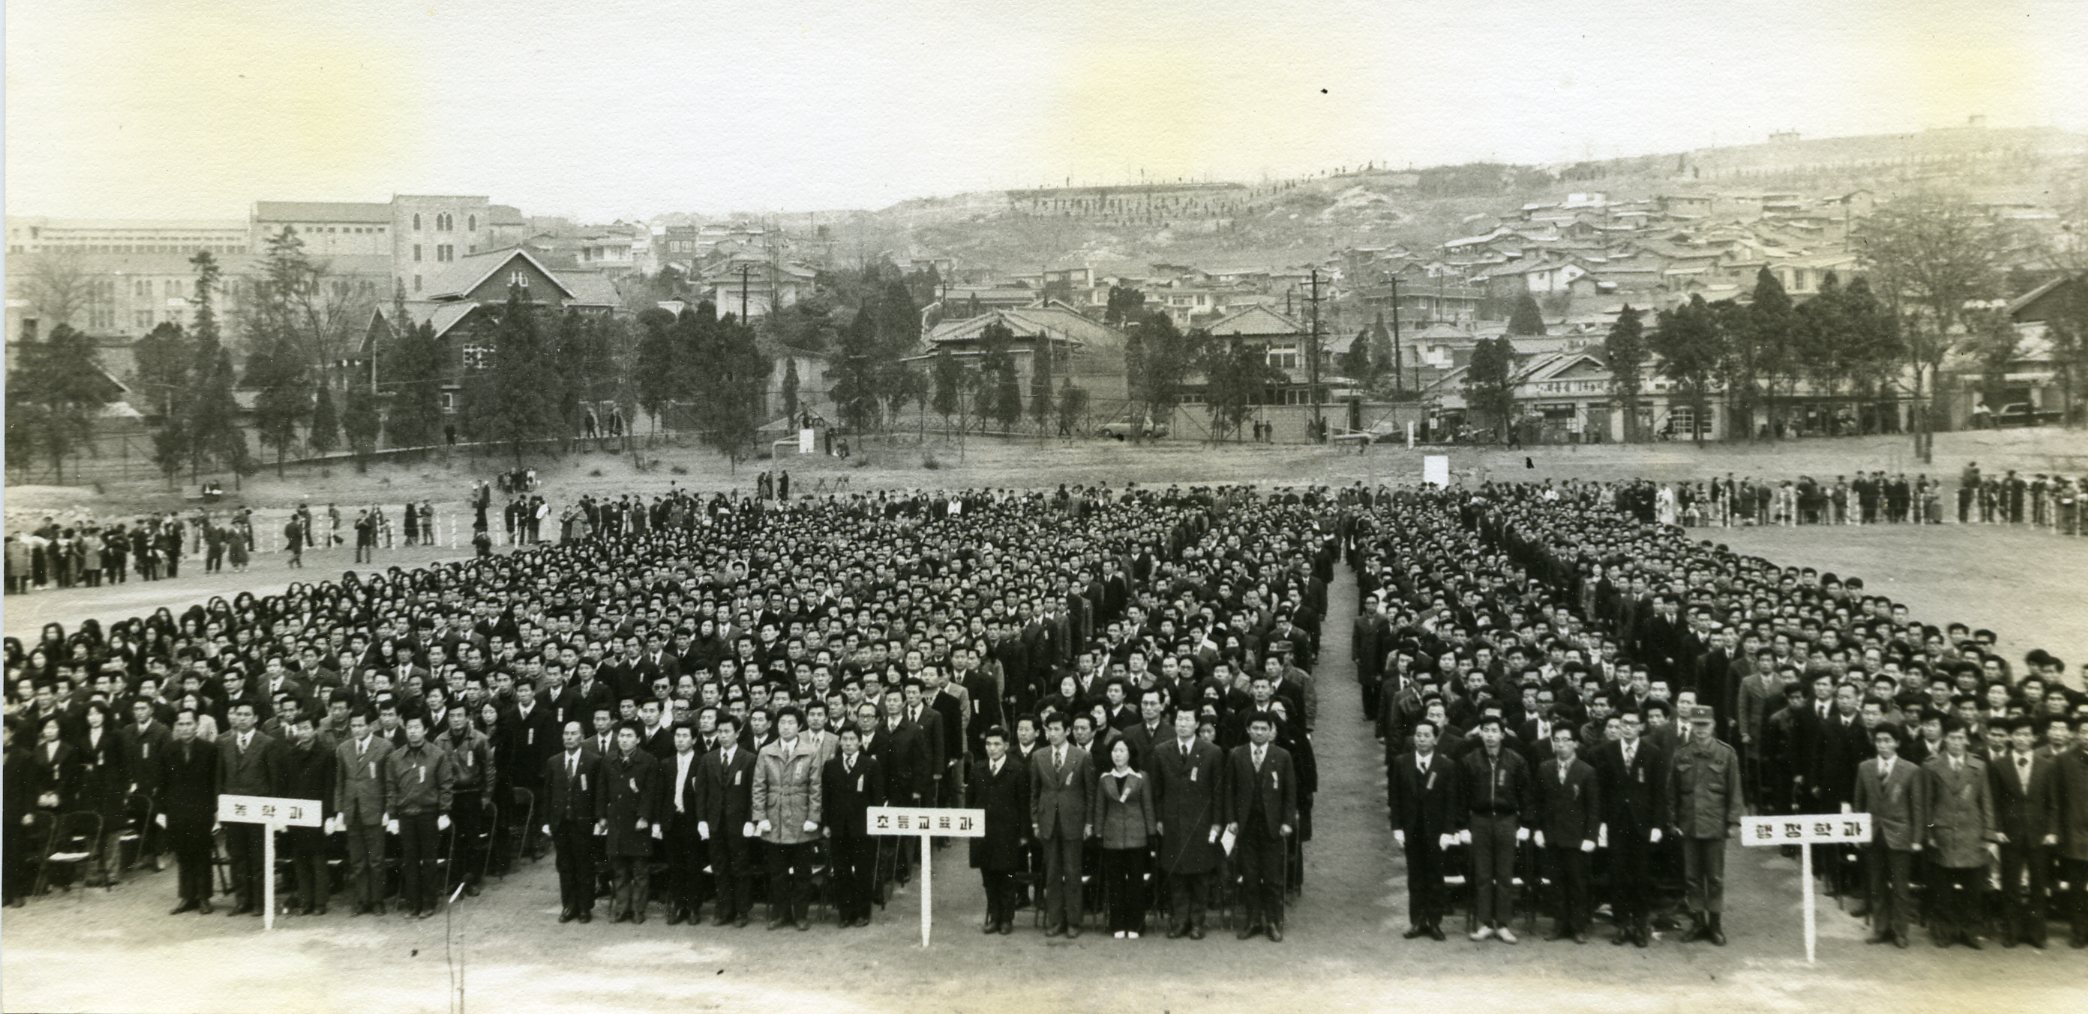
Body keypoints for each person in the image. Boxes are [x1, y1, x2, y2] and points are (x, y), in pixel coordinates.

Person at [1592, 710, 1668, 946]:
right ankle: (1622, 924)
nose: (1627, 728)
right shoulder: (1607, 751)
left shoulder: (1653, 753)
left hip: (1642, 824)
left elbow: (1658, 792)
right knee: (1618, 874)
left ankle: (1640, 925)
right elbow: (1601, 792)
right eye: (1624, 723)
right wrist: (1601, 823)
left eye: (1633, 724)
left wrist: (1657, 824)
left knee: (1641, 874)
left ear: (1641, 727)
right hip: (1616, 823)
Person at [1149, 704, 1224, 939]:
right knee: (1176, 874)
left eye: (1187, 720)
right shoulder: (1162, 751)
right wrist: (1159, 818)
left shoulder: (1211, 752)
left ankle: (1197, 923)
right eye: (1179, 720)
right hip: (1172, 822)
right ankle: (1179, 921)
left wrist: (1216, 823)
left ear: (1196, 724)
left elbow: (1218, 791)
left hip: (1201, 823)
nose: (1182, 724)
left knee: (1200, 874)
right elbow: (1156, 790)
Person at [1670, 705, 1740, 945]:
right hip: (1689, 824)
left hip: (1714, 824)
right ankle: (1698, 922)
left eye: (1705, 725)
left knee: (1715, 878)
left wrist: (1732, 822)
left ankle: (1715, 925)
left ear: (1713, 726)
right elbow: (1673, 792)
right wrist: (1673, 820)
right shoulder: (1682, 754)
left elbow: (1735, 790)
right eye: (1696, 725)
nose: (1700, 730)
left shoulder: (1726, 754)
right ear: (1690, 725)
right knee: (1691, 877)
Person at [1458, 714, 1531, 944]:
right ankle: (1485, 923)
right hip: (1479, 820)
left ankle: (1504, 924)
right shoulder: (1470, 761)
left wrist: (1525, 824)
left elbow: (1526, 796)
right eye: (1486, 730)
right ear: (1480, 734)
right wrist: (1463, 826)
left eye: (1494, 730)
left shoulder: (1516, 761)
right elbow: (1461, 796)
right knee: (1482, 875)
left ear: (1502, 734)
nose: (1490, 735)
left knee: (1504, 875)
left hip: (1506, 820)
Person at [1225, 712, 1296, 942]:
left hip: (1272, 826)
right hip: (1246, 825)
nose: (1258, 732)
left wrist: (1286, 822)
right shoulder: (1237, 755)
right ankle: (1253, 921)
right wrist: (1232, 820)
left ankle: (1273, 922)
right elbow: (1229, 791)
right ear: (1248, 730)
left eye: (1263, 728)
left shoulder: (1282, 756)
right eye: (1254, 728)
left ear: (1271, 731)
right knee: (1250, 875)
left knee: (1273, 876)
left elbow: (1289, 793)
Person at [1923, 722, 1996, 948]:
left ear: (1966, 740)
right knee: (1943, 889)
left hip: (1971, 834)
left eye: (1960, 738)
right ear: (1945, 739)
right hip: (1943, 833)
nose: (1956, 742)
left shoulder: (1978, 766)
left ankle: (1970, 931)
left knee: (1973, 888)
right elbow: (1927, 803)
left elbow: (1986, 801)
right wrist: (1930, 832)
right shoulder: (1932, 766)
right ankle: (1945, 931)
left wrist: (1988, 834)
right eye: (1952, 737)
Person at [1852, 725, 1924, 948]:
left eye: (1888, 740)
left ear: (1897, 743)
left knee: (1900, 887)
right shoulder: (1865, 767)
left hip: (1900, 834)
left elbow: (1917, 807)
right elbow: (1858, 803)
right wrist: (1856, 831)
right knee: (1876, 884)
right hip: (1873, 833)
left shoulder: (1910, 770)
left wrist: (1917, 838)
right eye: (1879, 740)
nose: (1883, 745)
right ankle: (1880, 928)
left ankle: (1900, 931)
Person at [1989, 716, 2058, 948]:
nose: (2022, 739)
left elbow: (2052, 803)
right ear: (2010, 738)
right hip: (2010, 833)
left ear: (2034, 738)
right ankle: (2012, 932)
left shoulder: (2047, 765)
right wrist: (1997, 829)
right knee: (2010, 884)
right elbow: (1995, 802)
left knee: (2038, 884)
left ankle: (2037, 933)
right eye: (2017, 734)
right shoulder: (1999, 765)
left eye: (2026, 734)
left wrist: (2051, 831)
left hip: (2039, 834)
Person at [1389, 717, 1460, 941]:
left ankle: (1435, 922)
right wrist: (1397, 828)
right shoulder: (1401, 762)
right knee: (1415, 877)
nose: (1421, 739)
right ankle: (1417, 921)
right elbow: (1395, 798)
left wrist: (1448, 831)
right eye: (1418, 735)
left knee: (1435, 877)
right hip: (1412, 830)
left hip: (1436, 832)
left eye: (1426, 735)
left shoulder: (1445, 765)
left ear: (1435, 738)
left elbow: (1451, 801)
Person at [753, 706, 821, 931]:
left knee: (803, 873)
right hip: (774, 819)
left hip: (801, 818)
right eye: (782, 723)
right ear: (776, 725)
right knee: (777, 873)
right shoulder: (766, 751)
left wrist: (813, 817)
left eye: (791, 723)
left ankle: (800, 915)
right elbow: (759, 787)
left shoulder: (810, 751)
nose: (786, 727)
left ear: (799, 726)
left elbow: (815, 788)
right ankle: (780, 914)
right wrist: (760, 816)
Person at [1030, 710, 1093, 938]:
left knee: (1073, 872)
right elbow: (1034, 792)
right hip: (1048, 821)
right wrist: (1036, 821)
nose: (1053, 734)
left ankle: (1074, 921)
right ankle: (1055, 920)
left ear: (1067, 731)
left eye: (1057, 729)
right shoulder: (1039, 756)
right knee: (1052, 873)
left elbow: (1090, 793)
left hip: (1073, 821)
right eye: (1049, 729)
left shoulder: (1082, 756)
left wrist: (1088, 822)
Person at [1534, 725, 1600, 943]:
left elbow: (1593, 808)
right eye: (1557, 740)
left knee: (1578, 883)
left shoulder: (1586, 771)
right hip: (1553, 835)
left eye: (1565, 740)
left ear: (1574, 743)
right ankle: (1559, 924)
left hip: (1576, 838)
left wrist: (1591, 837)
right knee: (1556, 882)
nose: (1561, 744)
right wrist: (1539, 831)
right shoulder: (1545, 768)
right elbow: (1539, 804)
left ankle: (1578, 926)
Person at [385, 715, 454, 920]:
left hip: (428, 814)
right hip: (406, 815)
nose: (413, 731)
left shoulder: (437, 755)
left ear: (425, 730)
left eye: (417, 727)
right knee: (410, 860)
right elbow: (391, 788)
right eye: (409, 727)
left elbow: (446, 785)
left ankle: (429, 902)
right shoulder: (396, 757)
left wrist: (444, 812)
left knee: (429, 860)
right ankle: (413, 903)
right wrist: (392, 815)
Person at [216, 702, 279, 916]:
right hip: (233, 808)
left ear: (255, 718)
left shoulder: (267, 743)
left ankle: (260, 902)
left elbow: (273, 779)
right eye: (238, 714)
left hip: (259, 807)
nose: (241, 718)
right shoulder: (224, 743)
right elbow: (220, 778)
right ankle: (242, 900)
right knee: (237, 855)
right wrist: (220, 805)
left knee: (258, 856)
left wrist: (272, 808)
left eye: (246, 714)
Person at [697, 712, 757, 927]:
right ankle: (724, 909)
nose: (722, 736)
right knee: (719, 867)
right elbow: (701, 792)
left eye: (727, 732)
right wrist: (702, 819)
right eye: (719, 731)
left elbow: (753, 793)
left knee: (740, 867)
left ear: (737, 733)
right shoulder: (708, 759)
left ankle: (742, 910)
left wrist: (751, 820)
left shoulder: (749, 759)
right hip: (715, 823)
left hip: (739, 823)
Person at [823, 724, 884, 929]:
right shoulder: (831, 766)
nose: (848, 743)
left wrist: (875, 826)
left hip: (863, 828)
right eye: (845, 740)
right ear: (840, 742)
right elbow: (826, 798)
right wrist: (826, 824)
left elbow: (877, 798)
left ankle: (862, 912)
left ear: (859, 742)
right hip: (838, 828)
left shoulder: (870, 765)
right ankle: (845, 913)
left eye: (852, 740)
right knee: (841, 871)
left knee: (863, 871)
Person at [1092, 738, 1155, 939]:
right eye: (1114, 751)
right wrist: (1099, 833)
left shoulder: (1140, 777)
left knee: (1135, 882)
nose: (1117, 754)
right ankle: (1117, 923)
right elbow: (1100, 809)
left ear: (1130, 754)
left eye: (1122, 750)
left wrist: (1151, 833)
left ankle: (1136, 924)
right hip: (1112, 836)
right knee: (1115, 882)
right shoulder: (1105, 779)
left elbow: (1148, 807)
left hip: (1137, 836)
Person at [158, 709, 220, 915]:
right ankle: (187, 897)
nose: (184, 728)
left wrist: (215, 811)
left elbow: (215, 783)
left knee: (202, 853)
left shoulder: (209, 750)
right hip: (177, 810)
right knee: (183, 854)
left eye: (188, 724)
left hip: (202, 809)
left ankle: (204, 897)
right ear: (176, 726)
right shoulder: (168, 750)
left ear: (196, 725)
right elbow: (163, 783)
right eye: (181, 724)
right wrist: (162, 810)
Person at [968, 725, 1027, 935]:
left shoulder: (1017, 769)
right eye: (988, 744)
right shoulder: (978, 768)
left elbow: (1023, 804)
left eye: (997, 744)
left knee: (1007, 877)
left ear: (1006, 746)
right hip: (983, 832)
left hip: (1008, 832)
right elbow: (970, 802)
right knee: (988, 878)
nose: (992, 749)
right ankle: (994, 916)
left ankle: (1007, 919)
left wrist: (1022, 834)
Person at [542, 720, 603, 924]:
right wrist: (546, 821)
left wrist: (598, 819)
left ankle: (585, 906)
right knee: (565, 865)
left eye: (573, 733)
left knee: (584, 865)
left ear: (582, 736)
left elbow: (598, 794)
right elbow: (548, 794)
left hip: (583, 823)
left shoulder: (593, 761)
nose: (568, 737)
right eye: (566, 733)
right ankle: (569, 905)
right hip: (561, 822)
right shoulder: (554, 762)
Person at [332, 710, 392, 916]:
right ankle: (361, 900)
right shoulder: (343, 749)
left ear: (370, 726)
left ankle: (377, 900)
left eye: (360, 725)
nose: (356, 729)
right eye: (353, 726)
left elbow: (389, 782)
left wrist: (388, 810)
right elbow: (339, 782)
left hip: (374, 809)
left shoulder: (384, 747)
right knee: (357, 859)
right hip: (352, 810)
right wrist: (339, 809)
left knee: (376, 859)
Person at [279, 716, 333, 916]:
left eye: (306, 728)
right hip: (296, 814)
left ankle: (320, 902)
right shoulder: (290, 755)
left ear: (314, 729)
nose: (303, 732)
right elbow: (284, 788)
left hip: (317, 814)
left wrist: (328, 816)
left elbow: (329, 788)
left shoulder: (326, 755)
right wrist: (284, 815)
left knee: (318, 860)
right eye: (299, 729)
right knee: (300, 860)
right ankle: (305, 901)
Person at [660, 724, 706, 925]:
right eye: (677, 736)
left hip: (693, 820)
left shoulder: (702, 762)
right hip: (672, 820)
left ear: (694, 740)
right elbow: (660, 795)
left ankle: (694, 907)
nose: (680, 739)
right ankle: (678, 905)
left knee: (693, 865)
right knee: (675, 865)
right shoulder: (667, 763)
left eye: (685, 736)